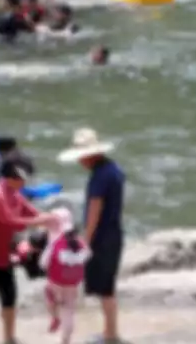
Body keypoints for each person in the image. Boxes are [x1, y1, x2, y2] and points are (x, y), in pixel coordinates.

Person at [0, 161, 56, 344]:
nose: (25, 183)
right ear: (10, 179)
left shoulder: (14, 194)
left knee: (10, 295)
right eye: (22, 180)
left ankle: (9, 338)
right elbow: (11, 222)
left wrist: (50, 220)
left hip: (3, 254)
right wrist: (40, 221)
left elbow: (31, 212)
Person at [58, 129, 125, 344]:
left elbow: (95, 208)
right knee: (108, 286)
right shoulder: (114, 169)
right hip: (113, 232)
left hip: (102, 237)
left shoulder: (99, 176)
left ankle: (110, 334)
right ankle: (110, 331)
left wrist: (86, 239)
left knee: (105, 288)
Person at [39, 207, 91, 344]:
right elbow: (88, 256)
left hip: (55, 282)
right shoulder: (80, 242)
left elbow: (43, 263)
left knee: (48, 293)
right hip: (73, 283)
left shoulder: (56, 242)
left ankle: (55, 317)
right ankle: (66, 340)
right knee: (69, 311)